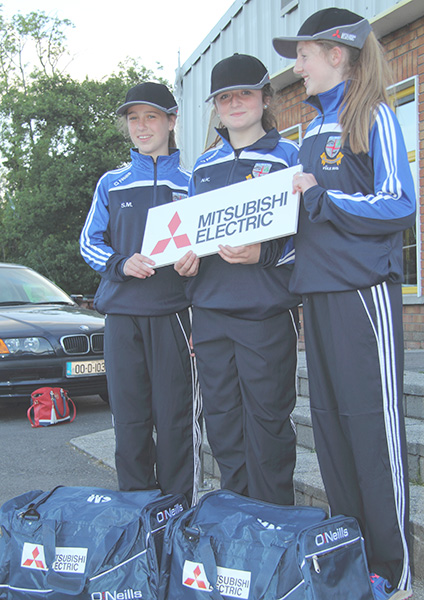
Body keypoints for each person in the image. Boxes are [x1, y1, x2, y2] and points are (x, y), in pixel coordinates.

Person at [273, 8, 416, 600]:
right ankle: (353, 565)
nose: (297, 67)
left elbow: (399, 203)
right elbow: (299, 223)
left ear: (337, 53)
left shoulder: (376, 115)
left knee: (373, 433)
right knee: (331, 435)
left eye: (303, 54)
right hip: (315, 296)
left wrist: (323, 198)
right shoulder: (306, 132)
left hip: (363, 295)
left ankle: (397, 572)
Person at [175, 54, 300, 506]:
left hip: (265, 312)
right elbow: (191, 236)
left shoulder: (291, 157)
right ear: (216, 107)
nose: (235, 103)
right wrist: (186, 263)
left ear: (265, 97)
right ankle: (236, 522)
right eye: (225, 97)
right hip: (209, 313)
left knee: (267, 422)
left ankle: (274, 526)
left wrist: (263, 253)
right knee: (224, 422)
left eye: (245, 93)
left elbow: (311, 238)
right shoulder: (202, 168)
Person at [80, 82, 201, 505]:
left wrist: (196, 261)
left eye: (152, 116)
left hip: (174, 318)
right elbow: (89, 242)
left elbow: (209, 244)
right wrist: (120, 263)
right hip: (121, 319)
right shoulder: (111, 183)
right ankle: (137, 520)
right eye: (134, 118)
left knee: (176, 424)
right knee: (129, 424)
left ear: (171, 121)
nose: (142, 126)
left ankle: (178, 513)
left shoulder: (194, 181)